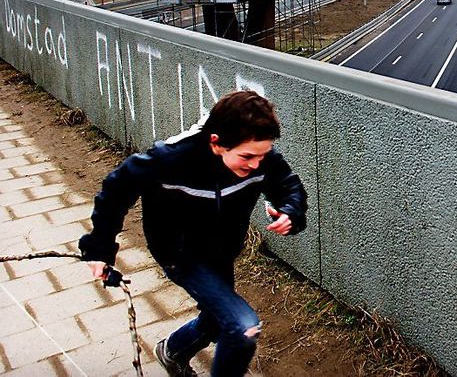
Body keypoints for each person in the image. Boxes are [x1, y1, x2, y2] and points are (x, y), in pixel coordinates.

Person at [79, 90, 308, 377]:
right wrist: (99, 250)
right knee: (242, 326)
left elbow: (288, 186)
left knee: (216, 319)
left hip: (222, 251)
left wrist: (290, 211)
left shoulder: (260, 156)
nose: (255, 165)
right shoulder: (169, 159)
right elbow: (115, 191)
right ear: (217, 143)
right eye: (247, 157)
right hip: (179, 253)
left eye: (262, 156)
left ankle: (172, 351)